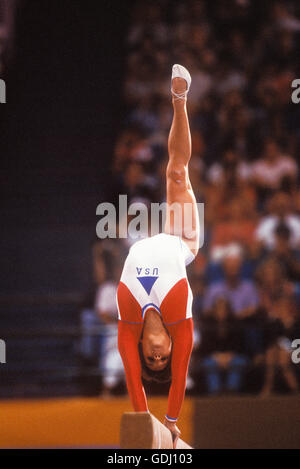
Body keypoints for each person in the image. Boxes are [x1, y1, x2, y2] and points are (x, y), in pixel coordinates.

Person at [117, 64, 199, 445]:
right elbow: (180, 373)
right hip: (182, 242)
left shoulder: (128, 323)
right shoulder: (181, 323)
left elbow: (134, 381)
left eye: (152, 360)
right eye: (161, 358)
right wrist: (169, 420)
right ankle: (180, 100)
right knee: (177, 173)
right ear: (169, 347)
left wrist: (146, 417)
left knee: (173, 176)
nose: (156, 357)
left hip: (150, 249)